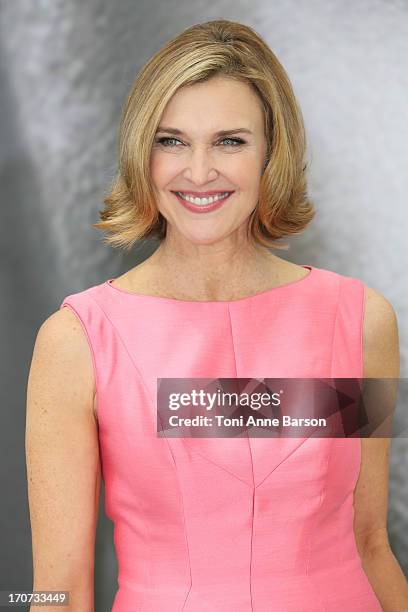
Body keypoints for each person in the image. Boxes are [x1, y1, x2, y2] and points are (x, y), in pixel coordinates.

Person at [26, 19, 407, 612]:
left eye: (230, 140)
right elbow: (55, 590)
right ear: (140, 153)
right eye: (171, 140)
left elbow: (371, 543)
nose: (198, 171)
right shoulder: (76, 341)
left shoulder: (362, 321)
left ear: (271, 152)